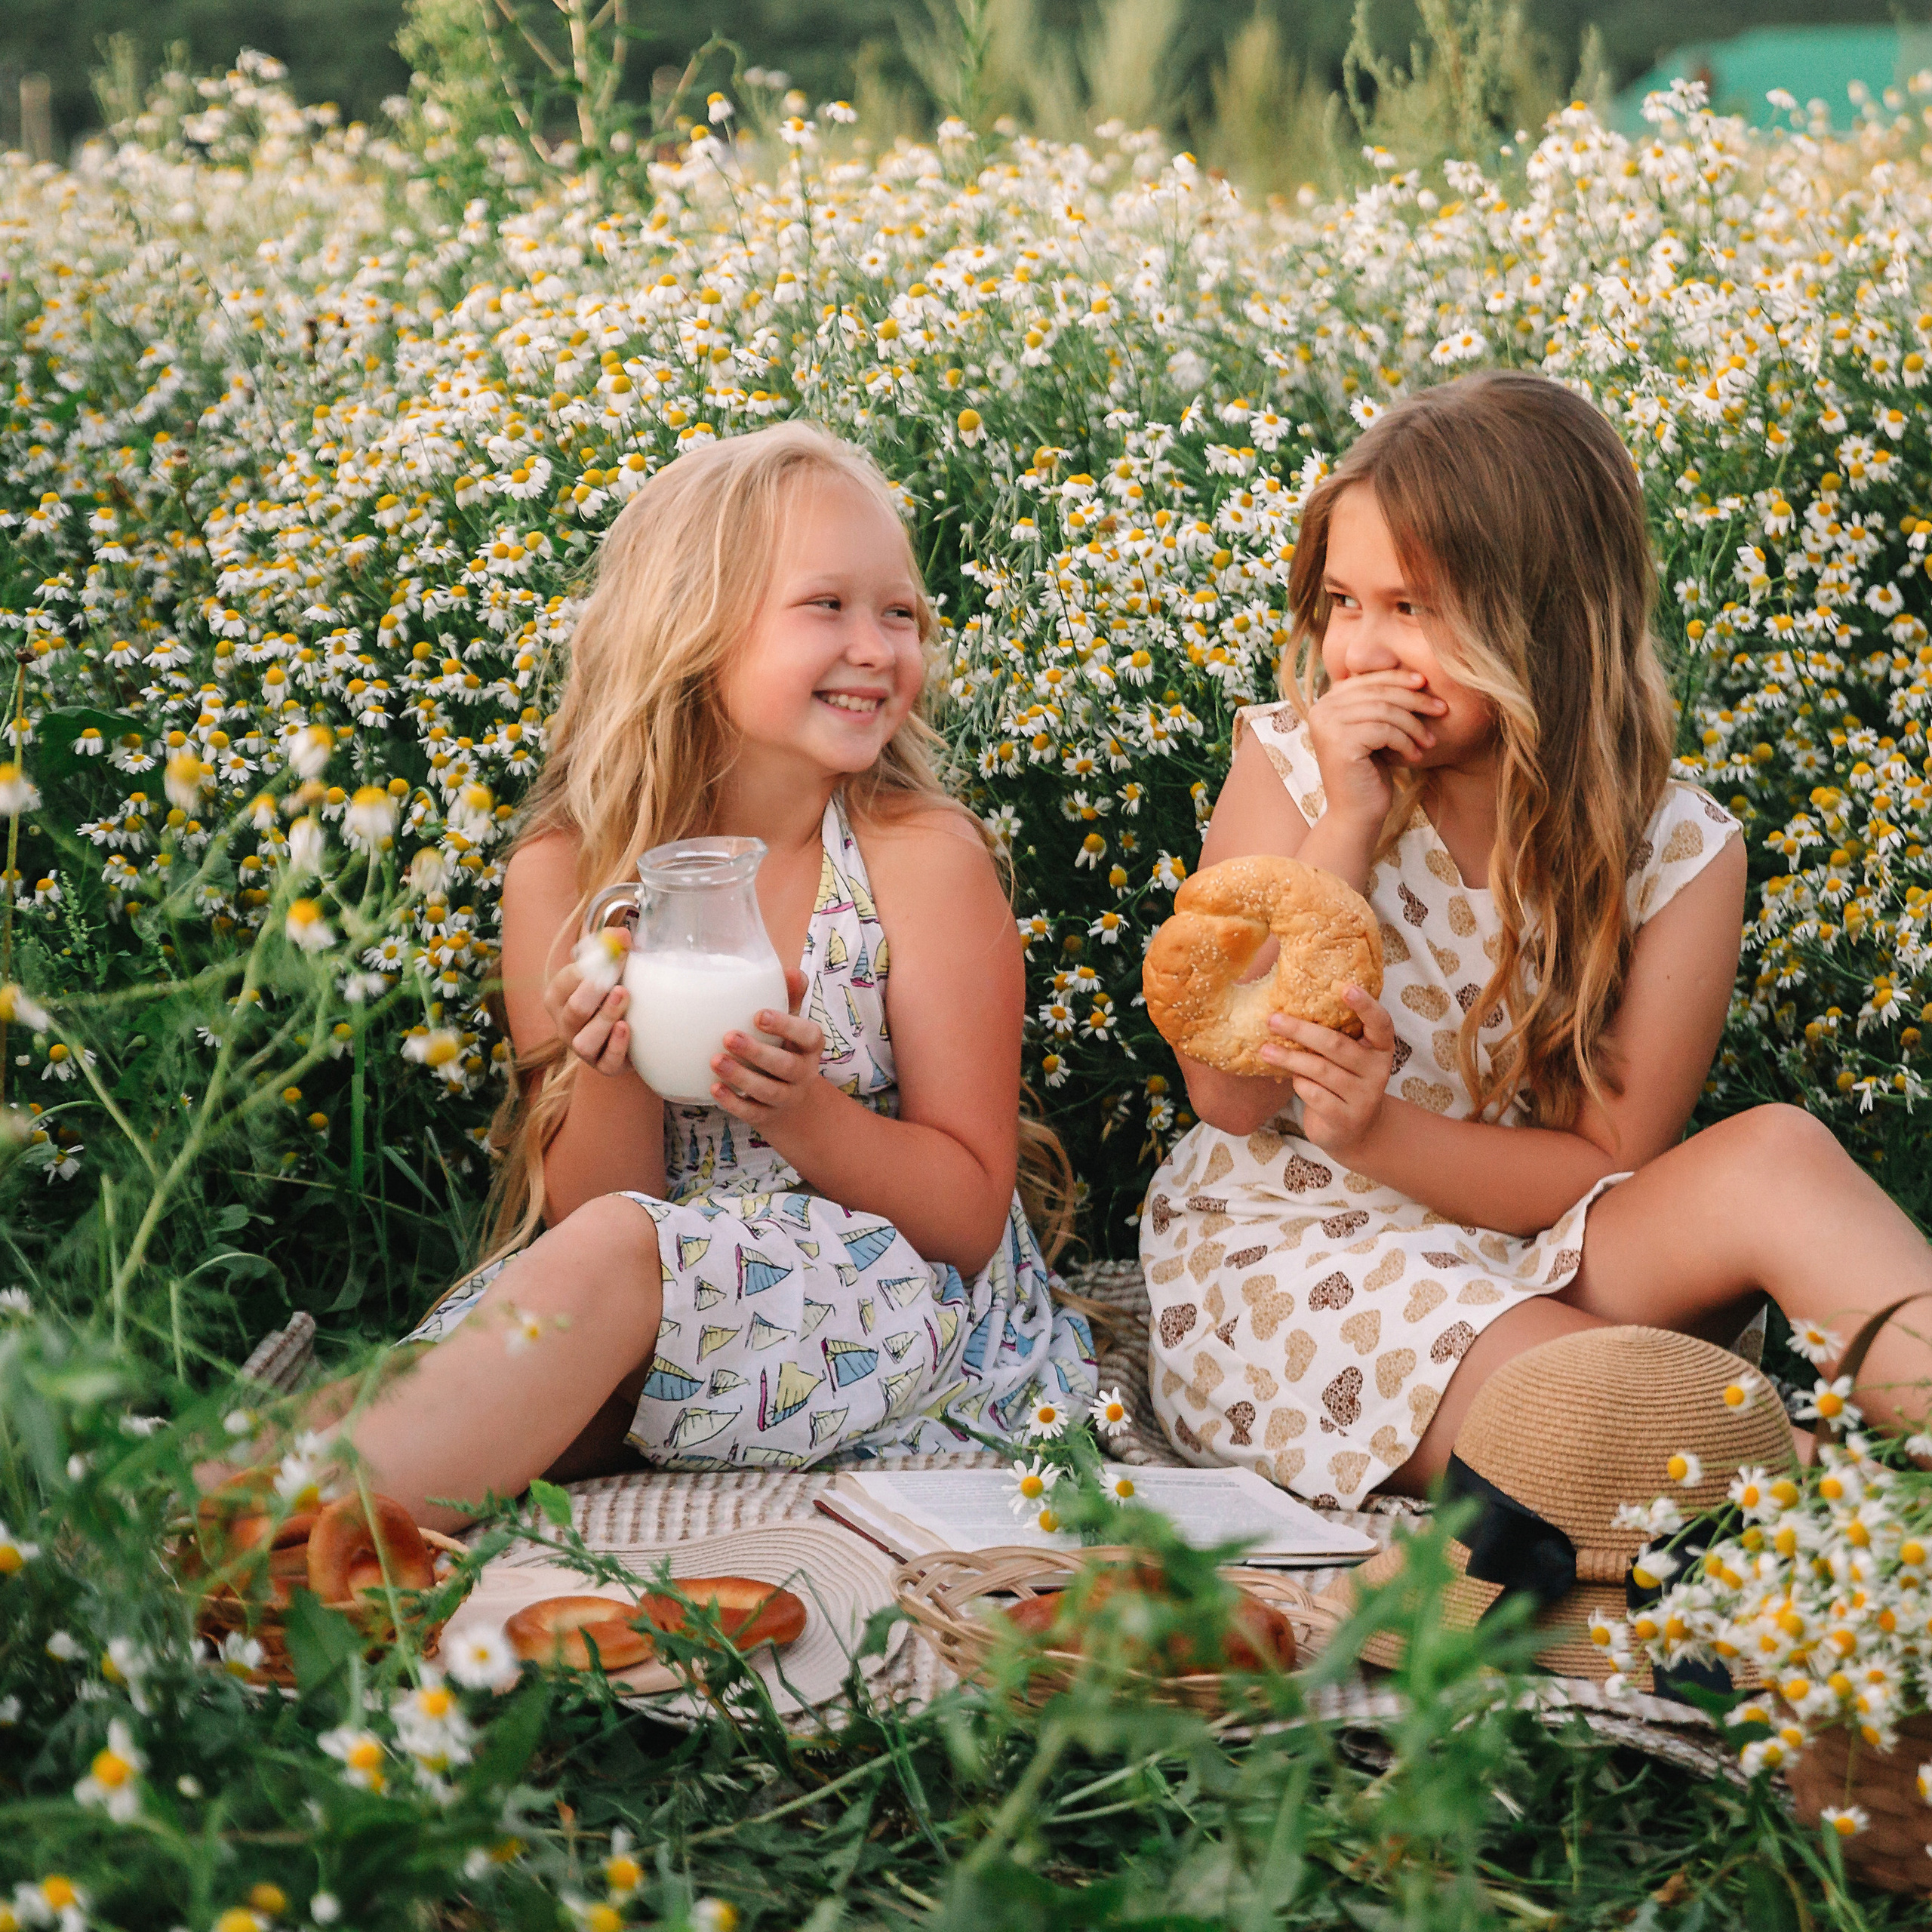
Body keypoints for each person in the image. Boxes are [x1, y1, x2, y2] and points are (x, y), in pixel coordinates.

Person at [1142, 369, 1930, 1509]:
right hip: (1306, 1259)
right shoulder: (1295, 769)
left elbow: (1597, 1164)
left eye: (1411, 608)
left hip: (1535, 1239)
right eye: (1344, 603)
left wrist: (1387, 1127)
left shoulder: (1681, 849)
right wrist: (1349, 824)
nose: (1360, 651)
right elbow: (1227, 1096)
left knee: (1780, 1155)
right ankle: (1870, 1532)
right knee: (1581, 1405)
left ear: (1544, 618)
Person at [317, 422, 1094, 1529]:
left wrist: (807, 1114)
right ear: (694, 630)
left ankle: (279, 1545)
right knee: (475, 1377)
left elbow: (968, 1217)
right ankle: (199, 1525)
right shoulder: (567, 877)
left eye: (902, 613)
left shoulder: (921, 859)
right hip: (646, 1295)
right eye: (827, 606)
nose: (877, 646)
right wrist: (615, 1068)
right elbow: (591, 1208)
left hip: (896, 1304)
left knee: (580, 1308)